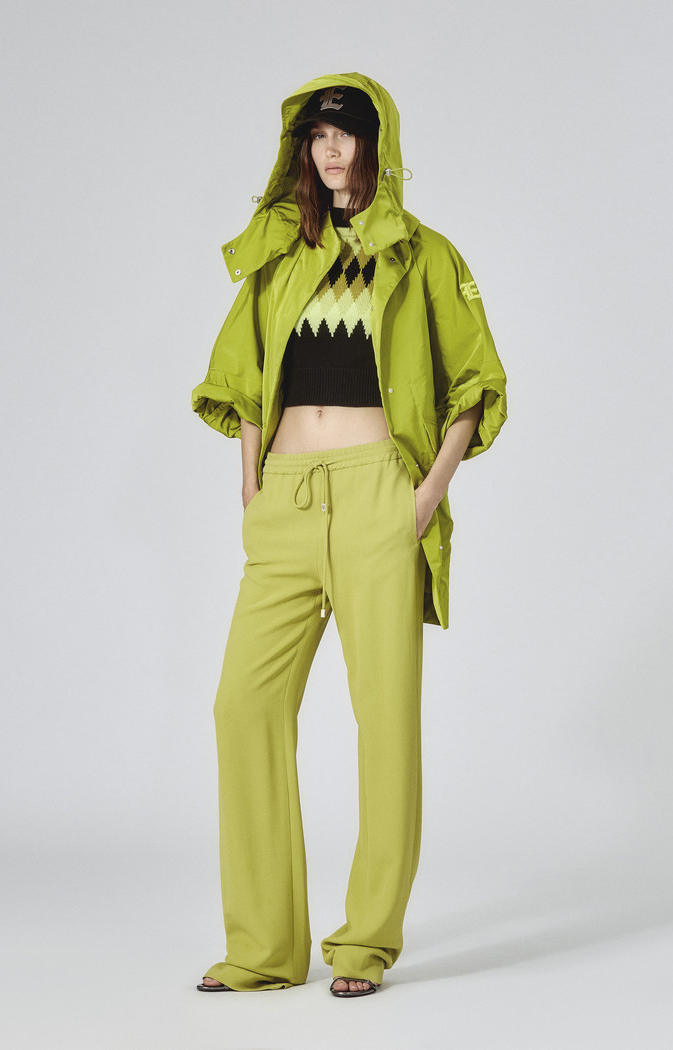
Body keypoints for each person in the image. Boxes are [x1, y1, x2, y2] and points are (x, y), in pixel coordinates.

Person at [191, 73, 507, 998]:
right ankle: (262, 950)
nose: (331, 151)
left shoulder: (424, 254)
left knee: (385, 724)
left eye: (347, 134)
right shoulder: (282, 255)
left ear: (377, 144)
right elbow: (242, 380)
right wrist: (251, 485)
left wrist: (425, 495)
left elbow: (476, 384)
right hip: (285, 501)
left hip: (380, 496)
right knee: (242, 707)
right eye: (318, 137)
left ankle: (365, 943)